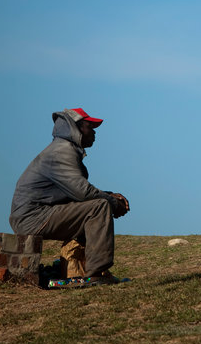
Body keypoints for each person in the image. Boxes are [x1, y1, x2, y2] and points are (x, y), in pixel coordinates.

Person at [9, 108, 132, 285]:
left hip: (39, 213)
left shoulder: (64, 149)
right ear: (77, 128)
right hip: (32, 218)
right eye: (91, 126)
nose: (94, 131)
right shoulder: (61, 152)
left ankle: (78, 271)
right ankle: (96, 274)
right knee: (98, 207)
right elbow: (83, 192)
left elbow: (77, 193)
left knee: (96, 205)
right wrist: (112, 201)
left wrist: (108, 195)